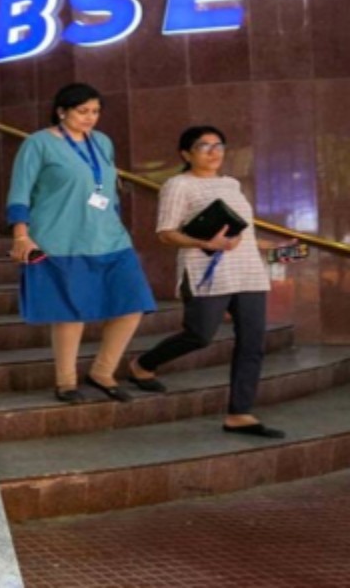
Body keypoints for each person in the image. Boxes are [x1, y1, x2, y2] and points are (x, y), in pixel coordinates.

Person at [128, 126, 299, 438]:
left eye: (218, 145)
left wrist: (274, 249)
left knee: (252, 343)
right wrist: (206, 243)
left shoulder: (231, 184)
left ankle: (239, 413)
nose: (213, 151)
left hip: (248, 272)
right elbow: (166, 233)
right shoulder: (178, 185)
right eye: (203, 146)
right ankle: (143, 364)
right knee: (199, 335)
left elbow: (243, 234)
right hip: (205, 272)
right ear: (186, 153)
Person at [7, 83, 157, 404]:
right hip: (61, 240)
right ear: (62, 111)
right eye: (82, 111)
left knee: (133, 304)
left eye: (96, 111)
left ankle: (103, 372)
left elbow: (108, 189)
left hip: (111, 238)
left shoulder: (102, 142)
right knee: (70, 313)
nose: (90, 117)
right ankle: (66, 382)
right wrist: (21, 235)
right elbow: (20, 193)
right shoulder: (38, 143)